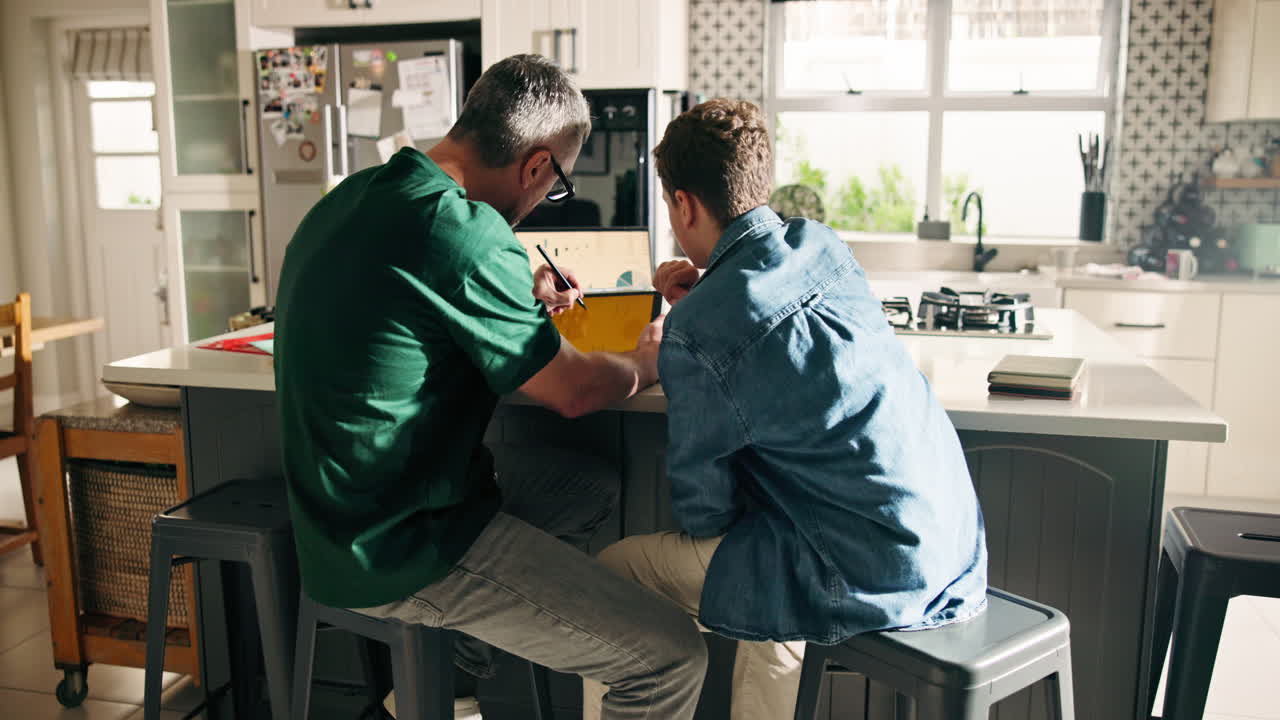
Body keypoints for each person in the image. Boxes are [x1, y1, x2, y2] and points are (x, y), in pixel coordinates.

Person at [274, 54, 707, 720]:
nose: (544, 199)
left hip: (335, 520)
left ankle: (459, 679)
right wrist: (650, 358)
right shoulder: (463, 231)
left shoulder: (355, 197)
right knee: (670, 658)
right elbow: (572, 392)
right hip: (405, 543)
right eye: (554, 183)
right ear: (536, 165)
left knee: (587, 486)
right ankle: (456, 672)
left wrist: (515, 305)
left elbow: (404, 327)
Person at [583, 99, 989, 720]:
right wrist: (708, 297)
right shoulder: (822, 246)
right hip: (949, 549)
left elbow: (704, 511)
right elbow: (778, 320)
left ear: (684, 205)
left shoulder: (699, 331)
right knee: (777, 554)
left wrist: (688, 330)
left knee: (611, 576)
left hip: (858, 573)